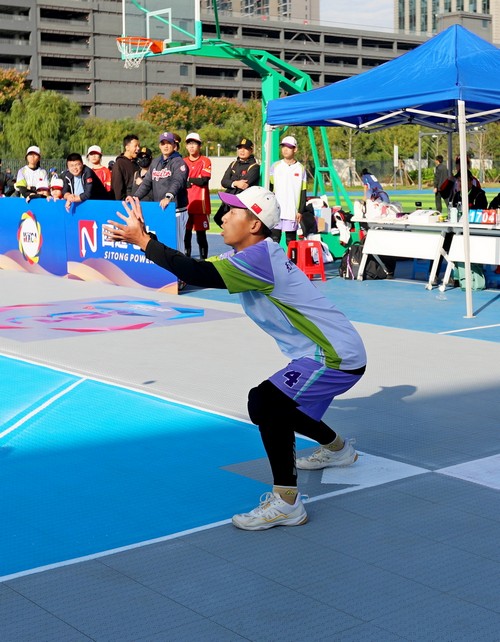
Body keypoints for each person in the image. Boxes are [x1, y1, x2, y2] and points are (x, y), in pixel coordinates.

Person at [104, 187, 366, 531]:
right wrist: (146, 239)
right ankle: (337, 449)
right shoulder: (249, 256)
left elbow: (196, 275)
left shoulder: (258, 259)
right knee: (278, 407)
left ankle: (287, 502)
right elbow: (195, 267)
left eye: (233, 212)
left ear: (254, 225)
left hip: (334, 356)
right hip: (326, 351)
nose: (223, 218)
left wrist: (143, 241)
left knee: (266, 403)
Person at [134, 131, 189, 254]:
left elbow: (178, 181)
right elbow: (147, 183)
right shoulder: (155, 162)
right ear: (159, 146)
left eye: (168, 143)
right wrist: (135, 196)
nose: (165, 146)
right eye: (163, 143)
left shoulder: (179, 162)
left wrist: (168, 196)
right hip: (160, 209)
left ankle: (181, 266)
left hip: (176, 210)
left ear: (174, 145)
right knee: (162, 243)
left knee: (177, 245)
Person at [214, 137, 260, 227]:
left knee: (237, 226)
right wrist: (235, 183)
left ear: (251, 150)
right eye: (240, 148)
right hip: (228, 200)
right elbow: (224, 182)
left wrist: (232, 182)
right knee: (219, 219)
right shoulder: (233, 164)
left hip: (241, 203)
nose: (242, 151)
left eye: (245, 148)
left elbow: (243, 185)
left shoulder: (254, 167)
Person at [269, 135, 306, 247]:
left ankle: (291, 259)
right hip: (277, 210)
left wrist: (300, 211)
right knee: (274, 239)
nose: (285, 149)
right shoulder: (275, 166)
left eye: (289, 147)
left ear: (295, 149)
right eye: (283, 146)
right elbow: (271, 188)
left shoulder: (301, 168)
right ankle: (273, 259)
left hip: (292, 211)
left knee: (291, 241)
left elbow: (303, 191)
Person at [183, 132, 212, 259]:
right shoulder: (183, 162)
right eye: (189, 143)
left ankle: (203, 260)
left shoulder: (205, 161)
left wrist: (189, 180)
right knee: (186, 234)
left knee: (201, 236)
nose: (191, 146)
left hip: (201, 205)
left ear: (199, 146)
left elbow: (204, 180)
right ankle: (186, 258)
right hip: (186, 205)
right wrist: (195, 179)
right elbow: (180, 181)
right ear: (186, 146)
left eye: (194, 143)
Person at [111, 134, 140, 200]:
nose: (138, 148)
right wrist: (122, 201)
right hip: (126, 202)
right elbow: (117, 188)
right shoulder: (119, 164)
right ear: (127, 147)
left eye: (139, 146)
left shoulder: (137, 163)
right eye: (135, 146)